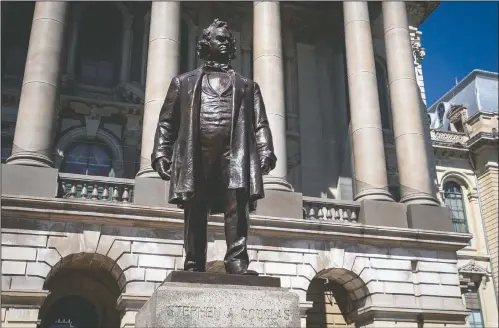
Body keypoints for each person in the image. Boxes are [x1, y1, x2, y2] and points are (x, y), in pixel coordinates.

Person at [151, 19, 276, 275]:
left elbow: (260, 123)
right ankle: (194, 262)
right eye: (220, 38)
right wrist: (161, 152)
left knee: (237, 207)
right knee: (195, 208)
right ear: (206, 43)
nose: (227, 42)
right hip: (196, 155)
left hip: (235, 154)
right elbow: (167, 123)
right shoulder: (183, 83)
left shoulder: (248, 86)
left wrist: (266, 150)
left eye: (230, 39)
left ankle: (237, 260)